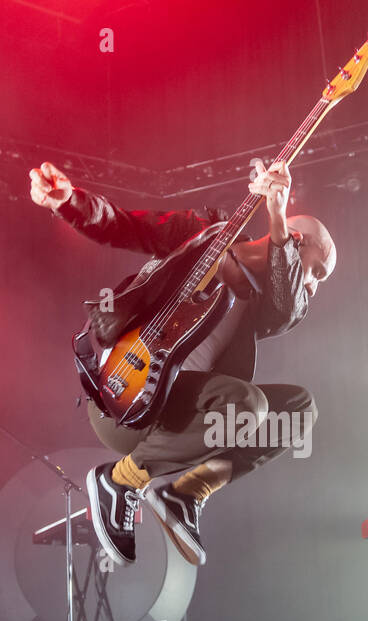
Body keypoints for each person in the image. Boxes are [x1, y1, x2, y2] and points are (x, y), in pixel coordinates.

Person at [29, 158, 334, 568]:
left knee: (297, 409)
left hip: (181, 421)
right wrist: (69, 202)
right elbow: (128, 226)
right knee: (248, 404)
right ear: (299, 240)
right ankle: (119, 482)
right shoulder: (204, 233)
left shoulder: (270, 304)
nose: (311, 286)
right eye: (317, 270)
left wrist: (277, 216)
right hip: (124, 397)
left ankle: (185, 492)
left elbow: (289, 305)